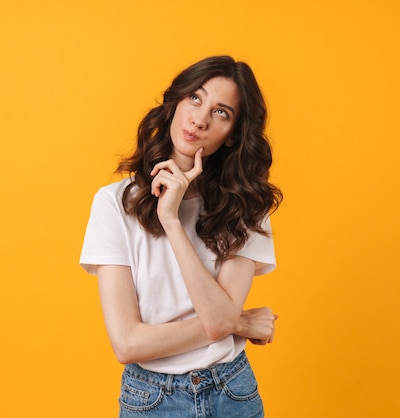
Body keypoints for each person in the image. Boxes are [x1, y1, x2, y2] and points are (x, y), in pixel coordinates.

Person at [79, 55, 282, 417]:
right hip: (151, 399)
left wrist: (171, 221)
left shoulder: (247, 206)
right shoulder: (113, 204)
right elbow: (127, 344)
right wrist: (240, 323)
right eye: (195, 98)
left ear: (233, 133)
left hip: (231, 392)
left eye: (222, 112)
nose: (200, 119)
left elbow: (219, 320)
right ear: (176, 102)